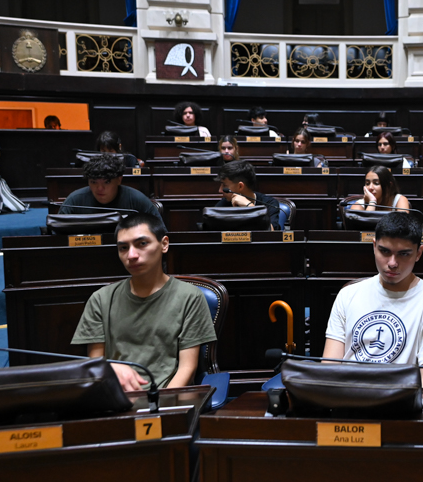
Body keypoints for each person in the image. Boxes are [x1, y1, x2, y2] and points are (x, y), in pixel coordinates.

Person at [71, 213, 217, 390]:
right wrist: (109, 368)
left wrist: (161, 407)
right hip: (116, 398)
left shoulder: (190, 297)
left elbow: (188, 368)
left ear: (164, 244)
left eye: (142, 244)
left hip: (166, 397)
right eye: (123, 248)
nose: (131, 255)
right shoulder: (100, 299)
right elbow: (96, 364)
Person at [323, 212, 423, 387]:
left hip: (400, 404)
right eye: (385, 251)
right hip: (348, 399)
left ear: (418, 253)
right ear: (374, 246)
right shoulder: (348, 294)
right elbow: (329, 369)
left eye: (404, 254)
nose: (392, 263)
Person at [60, 153, 162, 219]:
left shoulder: (137, 200)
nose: (99, 188)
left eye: (107, 182)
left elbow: (160, 234)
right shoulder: (73, 201)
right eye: (93, 182)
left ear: (119, 180)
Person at [214, 160, 280, 230]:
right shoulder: (223, 205)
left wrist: (249, 206)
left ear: (240, 186)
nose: (220, 190)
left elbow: (272, 233)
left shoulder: (269, 203)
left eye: (224, 185)